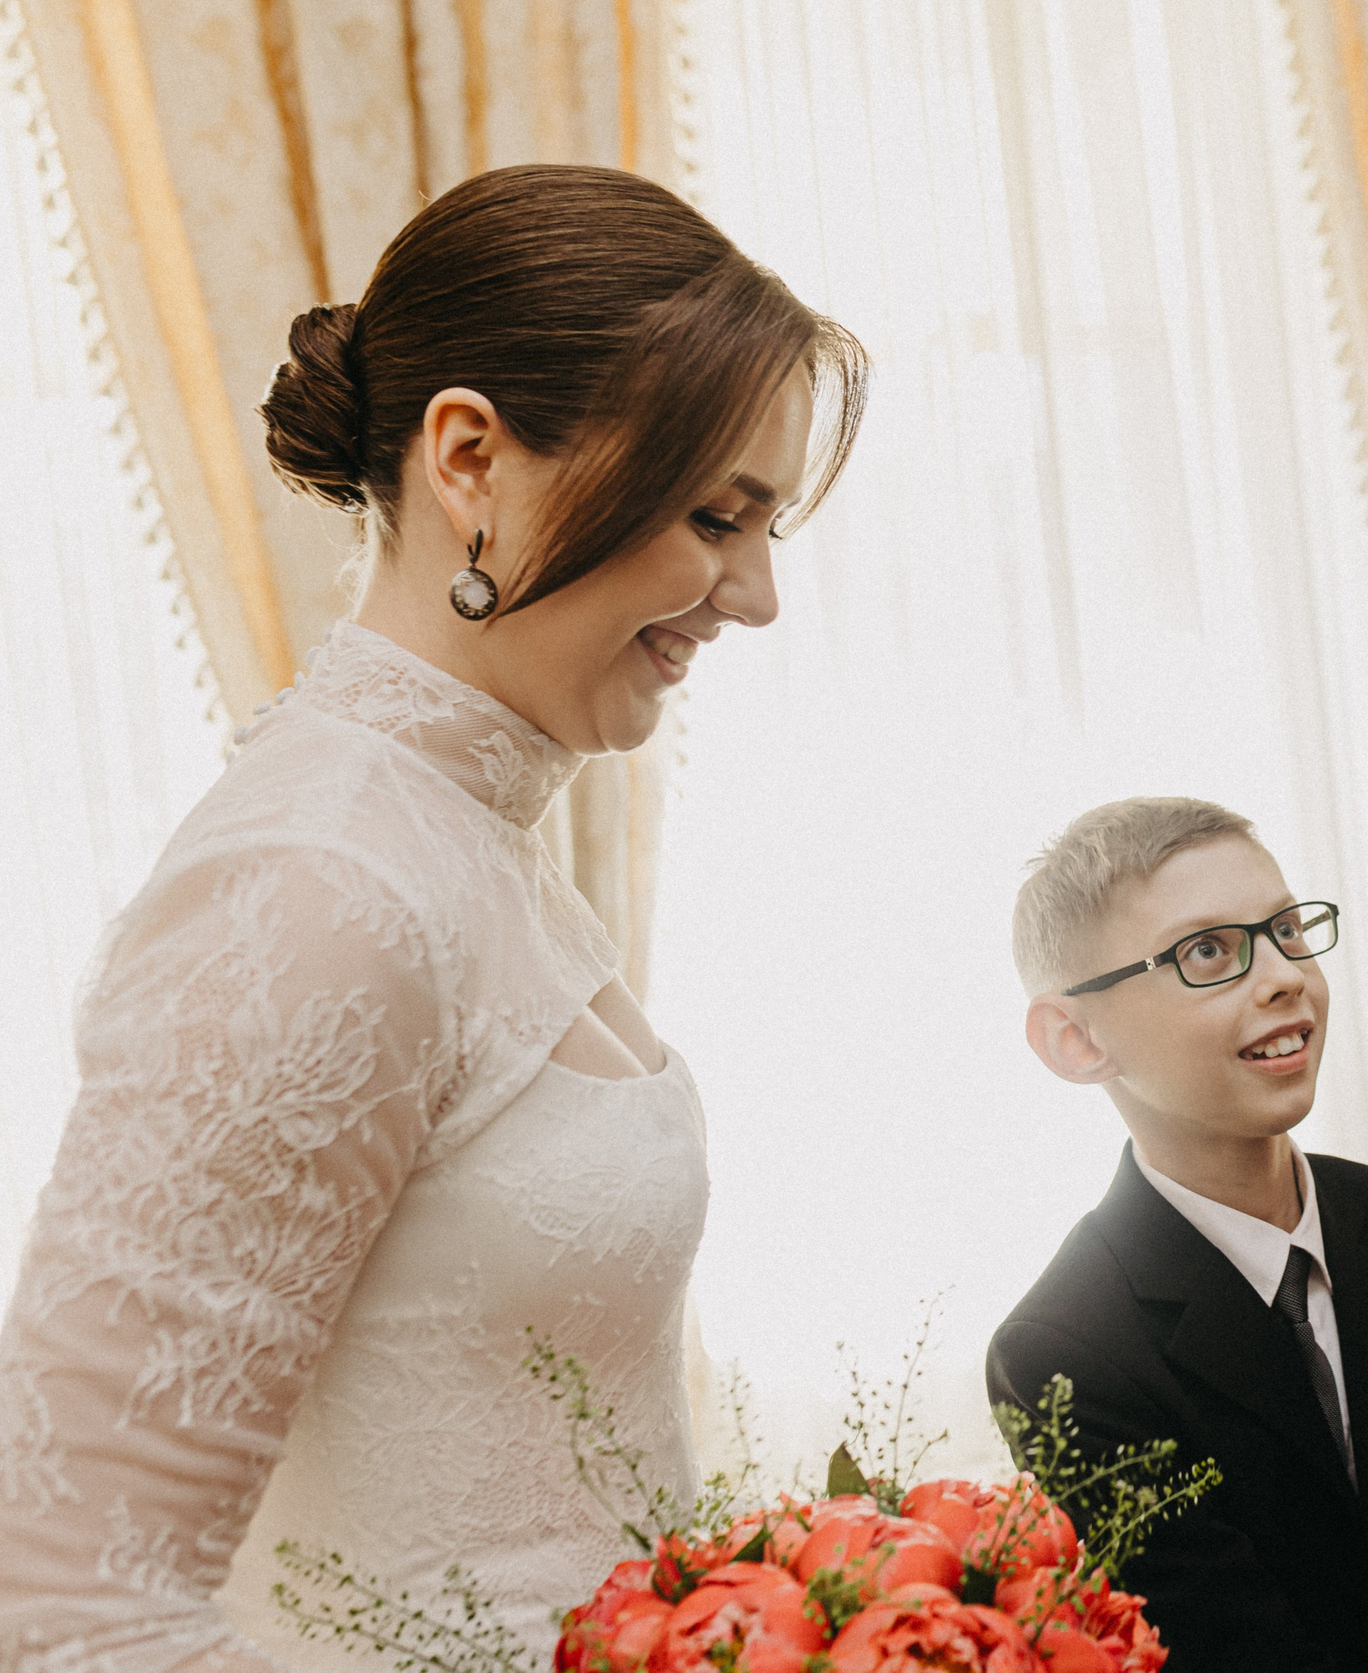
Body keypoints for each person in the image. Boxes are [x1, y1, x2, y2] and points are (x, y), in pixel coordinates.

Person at [0, 165, 863, 1669]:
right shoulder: (317, 882)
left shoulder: (466, 830)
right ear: (470, 457)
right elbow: (69, 1606)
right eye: (718, 515)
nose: (756, 594)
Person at [987, 799, 1368, 1673]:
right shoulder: (1062, 1350)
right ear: (1076, 1038)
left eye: (1287, 929)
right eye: (1207, 951)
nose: (1286, 975)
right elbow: (1225, 1645)